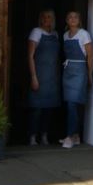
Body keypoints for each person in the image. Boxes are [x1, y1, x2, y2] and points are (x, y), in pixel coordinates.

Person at [27, 10, 61, 146]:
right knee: (37, 108)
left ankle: (44, 136)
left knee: (49, 108)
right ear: (41, 19)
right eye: (44, 17)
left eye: (50, 17)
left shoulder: (55, 34)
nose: (47, 19)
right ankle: (32, 136)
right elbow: (30, 56)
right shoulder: (36, 32)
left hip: (52, 76)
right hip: (39, 74)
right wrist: (34, 77)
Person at [61, 10, 93, 149]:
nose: (73, 19)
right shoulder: (65, 35)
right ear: (67, 20)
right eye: (70, 16)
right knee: (69, 103)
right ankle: (76, 137)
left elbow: (91, 55)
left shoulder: (84, 34)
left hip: (80, 71)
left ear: (79, 20)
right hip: (68, 71)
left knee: (73, 104)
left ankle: (69, 136)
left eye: (75, 17)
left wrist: (90, 74)